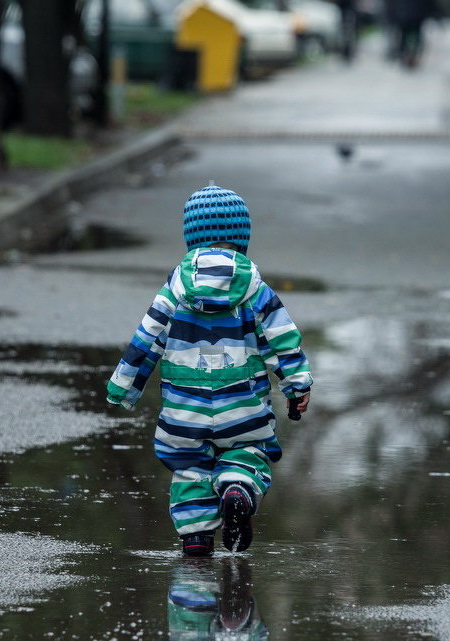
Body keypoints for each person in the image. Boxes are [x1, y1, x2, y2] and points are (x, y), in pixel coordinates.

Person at [106, 184, 313, 556]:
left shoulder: (173, 290)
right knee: (248, 451)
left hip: (184, 411)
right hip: (243, 409)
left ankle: (196, 539)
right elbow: (282, 341)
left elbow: (147, 337)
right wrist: (297, 386)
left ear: (191, 238)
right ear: (242, 238)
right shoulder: (257, 290)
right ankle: (238, 487)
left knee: (188, 470)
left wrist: (124, 385)